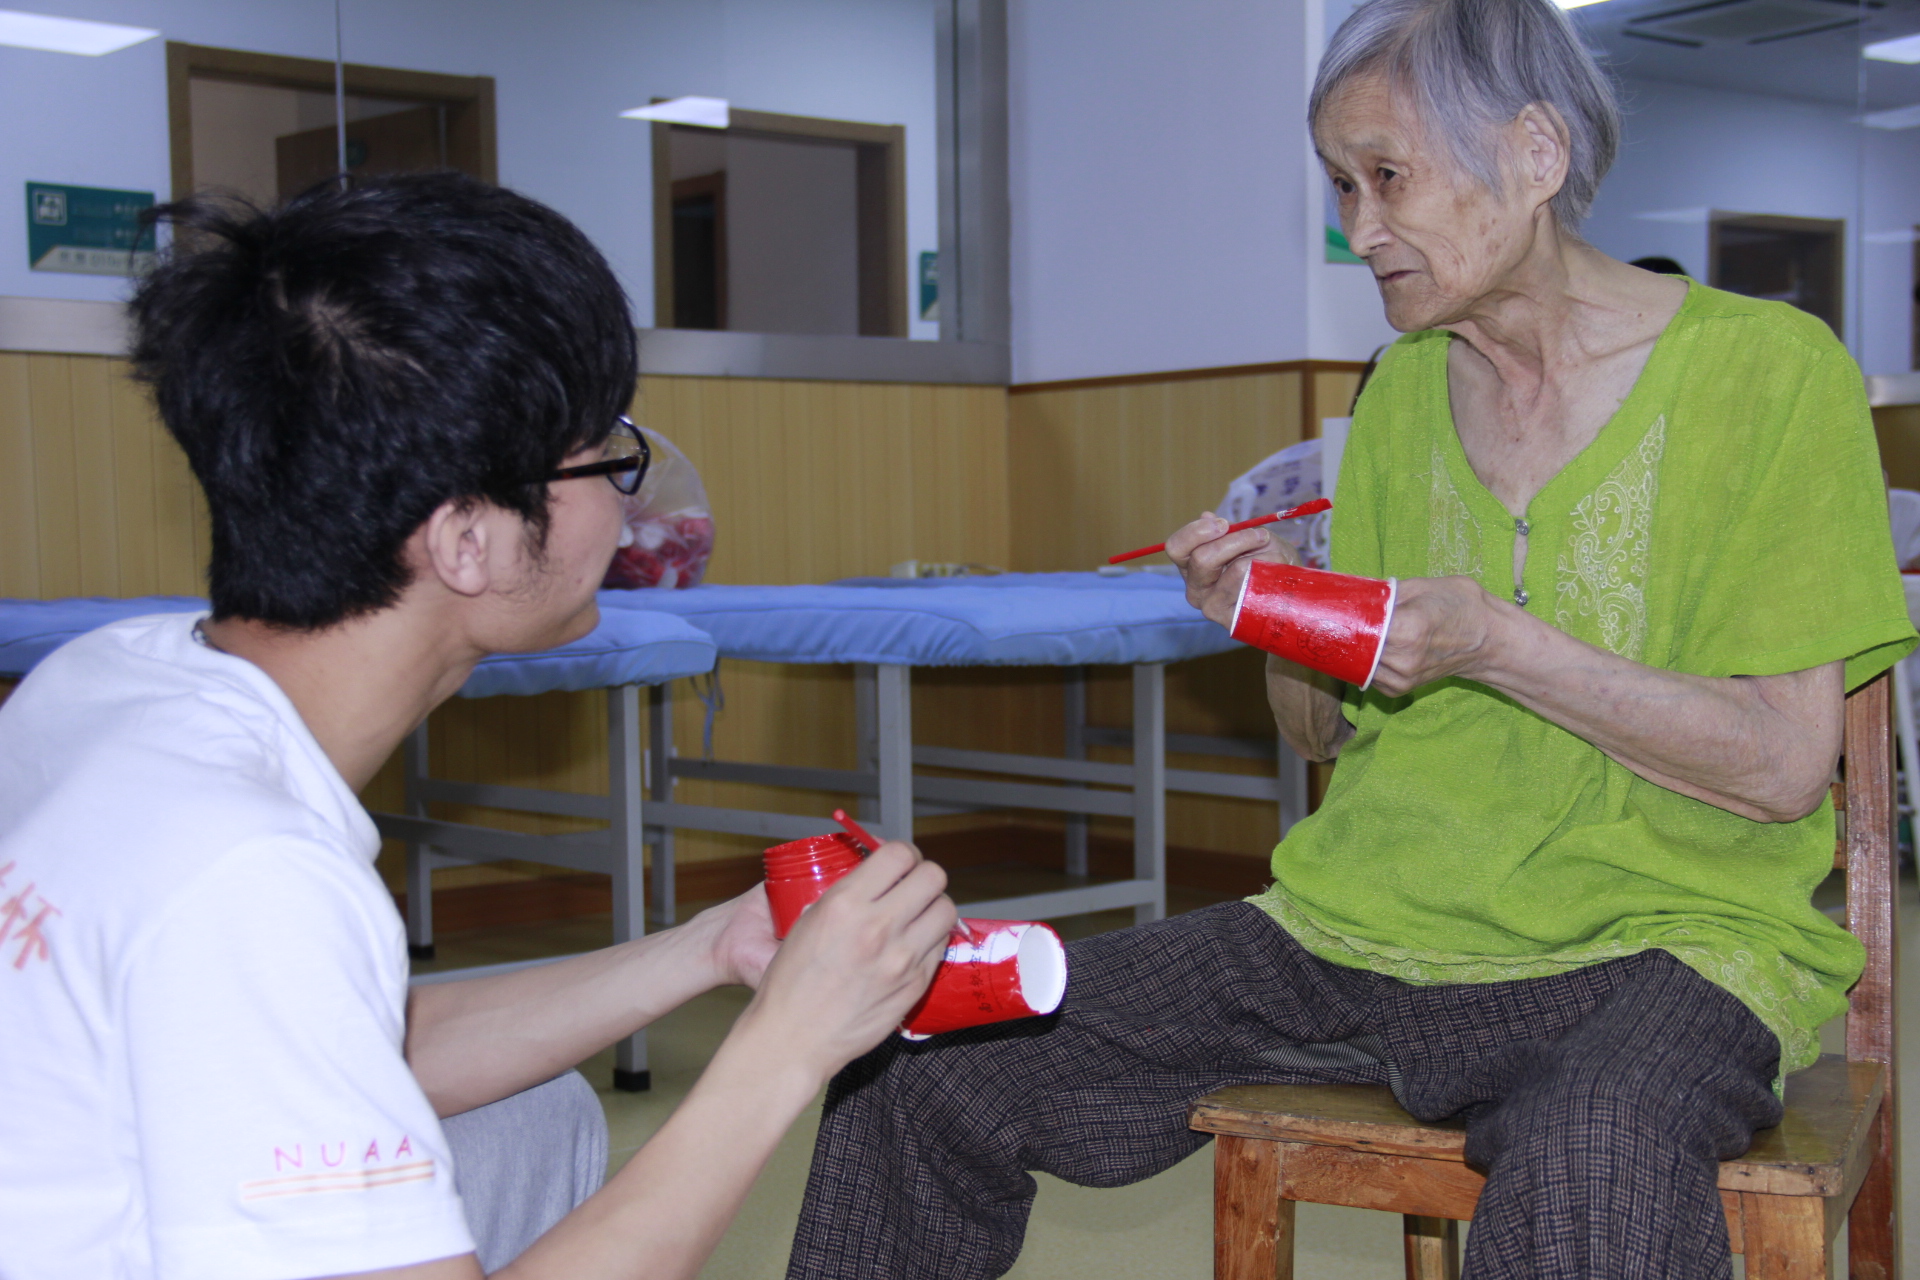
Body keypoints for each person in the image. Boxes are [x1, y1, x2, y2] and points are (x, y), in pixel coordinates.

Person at [782, 0, 1915, 1276]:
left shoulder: (1771, 373)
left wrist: (1495, 639)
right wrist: (1279, 617)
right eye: (1338, 184)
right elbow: (1331, 735)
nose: (1357, 229)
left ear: (1536, 158)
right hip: (1357, 925)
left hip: (1663, 938)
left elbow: (1776, 767)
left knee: (1595, 1147)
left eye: (1387, 177)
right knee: (926, 1058)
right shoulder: (1402, 389)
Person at [0, 173, 957, 1280]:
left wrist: (710, 950)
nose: (631, 504)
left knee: (530, 1113)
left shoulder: (103, 679)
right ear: (468, 541)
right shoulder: (249, 872)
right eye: (605, 454)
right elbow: (267, 953)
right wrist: (786, 1046)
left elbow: (342, 1032)